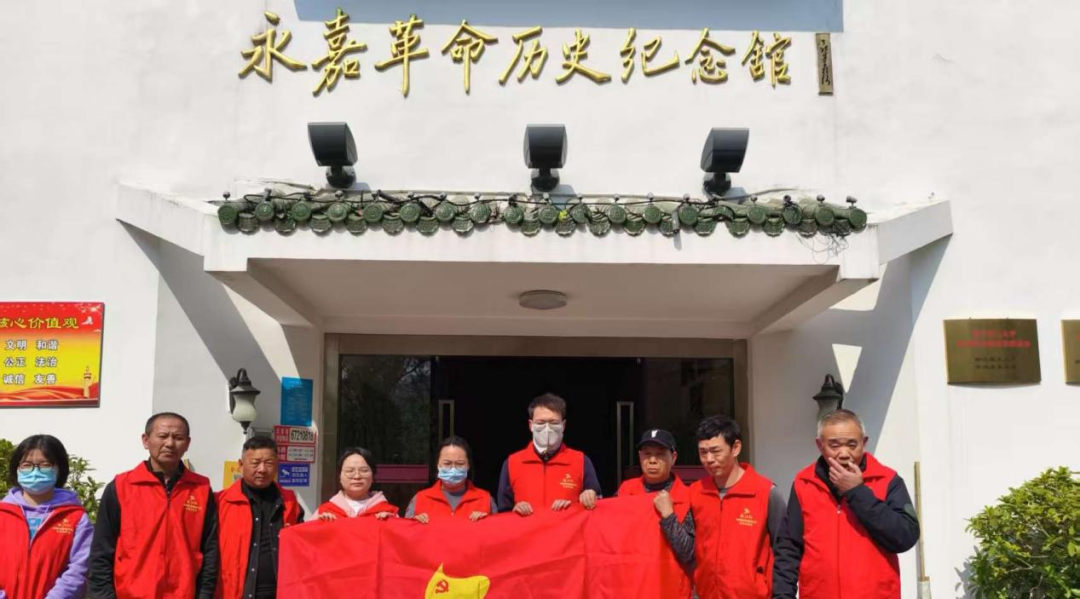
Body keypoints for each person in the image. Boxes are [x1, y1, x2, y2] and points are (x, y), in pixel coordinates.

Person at [772, 409, 920, 599]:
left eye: (852, 444)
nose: (844, 453)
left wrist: (857, 492)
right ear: (819, 445)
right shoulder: (804, 483)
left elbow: (905, 537)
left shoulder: (887, 480)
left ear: (864, 443)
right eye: (834, 445)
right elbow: (789, 547)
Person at [88, 412, 218, 599]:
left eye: (178, 437)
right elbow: (101, 549)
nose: (170, 443)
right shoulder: (122, 486)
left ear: (188, 443)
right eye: (163, 436)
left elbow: (210, 550)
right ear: (146, 440)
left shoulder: (201, 489)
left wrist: (204, 594)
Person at [658, 415, 785, 599]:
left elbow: (785, 552)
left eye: (716, 451)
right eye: (703, 452)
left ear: (736, 448)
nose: (709, 459)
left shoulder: (766, 493)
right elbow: (688, 550)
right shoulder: (695, 493)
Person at [0, 435, 93, 599]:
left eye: (45, 465)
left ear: (59, 469)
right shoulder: (2, 513)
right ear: (17, 468)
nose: (35, 471)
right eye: (27, 465)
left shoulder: (76, 518)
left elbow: (79, 569)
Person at [216, 436, 304, 599]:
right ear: (240, 464)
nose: (262, 469)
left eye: (269, 463)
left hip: (280, 592)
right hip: (233, 592)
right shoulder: (220, 503)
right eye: (255, 463)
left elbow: (303, 548)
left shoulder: (290, 502)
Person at [615, 429, 692, 599]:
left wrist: (669, 517)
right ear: (639, 456)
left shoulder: (687, 497)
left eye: (660, 454)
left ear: (674, 457)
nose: (652, 460)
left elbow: (689, 553)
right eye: (647, 454)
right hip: (631, 588)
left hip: (671, 590)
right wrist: (586, 502)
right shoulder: (624, 491)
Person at [496, 393, 603, 515]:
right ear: (531, 425)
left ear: (563, 425)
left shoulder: (581, 461)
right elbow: (502, 514)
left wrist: (584, 501)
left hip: (568, 528)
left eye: (553, 422)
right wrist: (515, 511)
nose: (547, 428)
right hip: (526, 528)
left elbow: (598, 507)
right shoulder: (512, 463)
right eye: (541, 422)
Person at [405, 436, 496, 523]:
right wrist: (414, 523)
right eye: (447, 463)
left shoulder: (485, 500)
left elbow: (497, 530)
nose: (453, 468)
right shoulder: (420, 499)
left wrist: (487, 522)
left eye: (460, 463)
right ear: (438, 465)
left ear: (468, 466)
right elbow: (405, 531)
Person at [313, 447, 397, 520]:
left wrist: (392, 523)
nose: (357, 476)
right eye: (350, 471)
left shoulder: (388, 512)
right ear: (339, 477)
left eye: (364, 470)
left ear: (373, 476)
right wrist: (318, 524)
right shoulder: (324, 512)